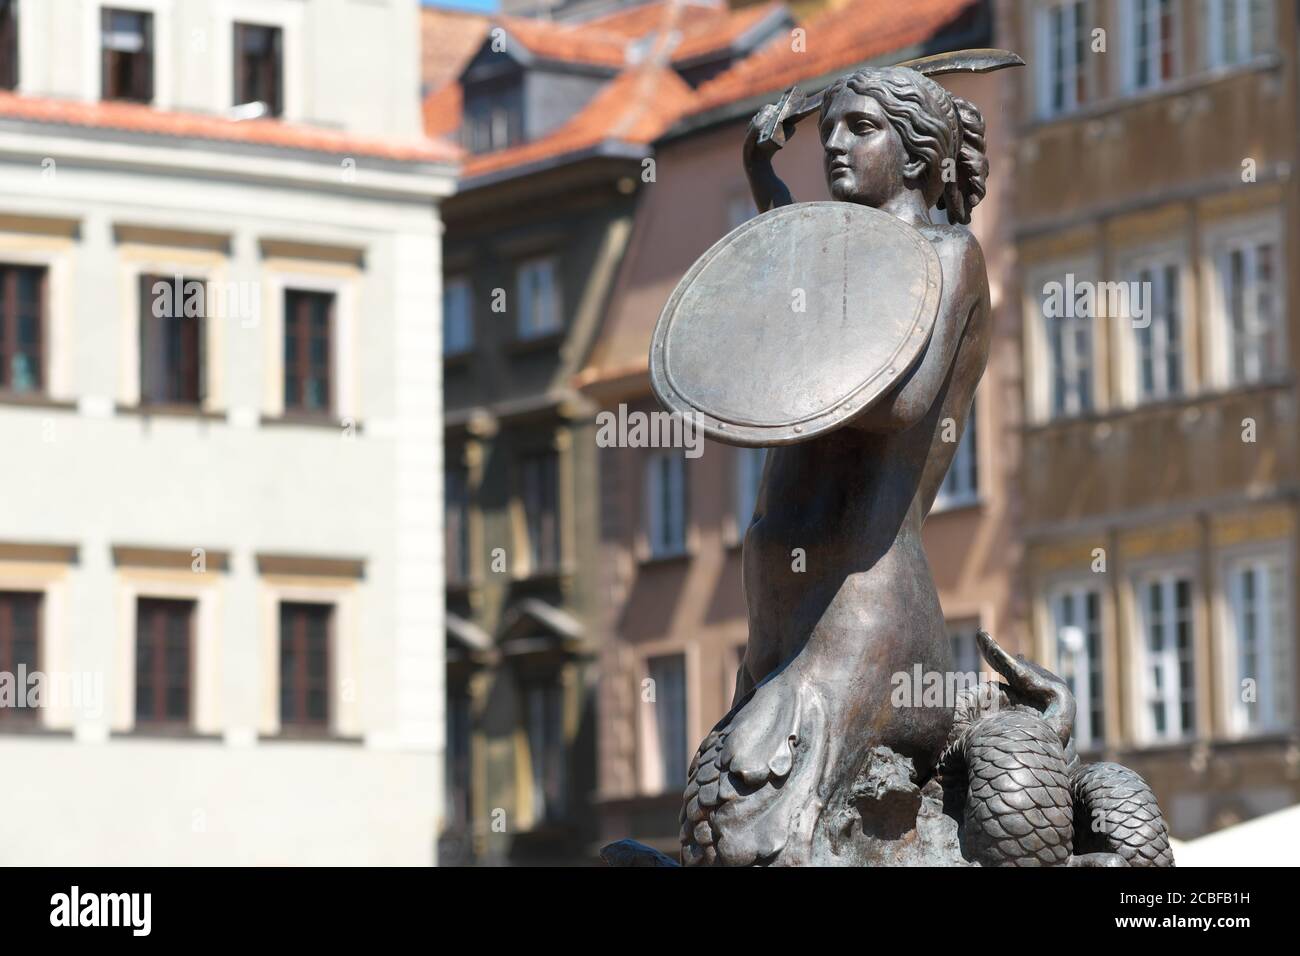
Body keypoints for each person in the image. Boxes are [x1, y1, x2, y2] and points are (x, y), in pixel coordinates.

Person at [680, 66, 993, 866]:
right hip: (777, 588)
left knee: (768, 823)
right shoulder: (831, 255)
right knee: (719, 816)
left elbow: (898, 403)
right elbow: (801, 301)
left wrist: (789, 322)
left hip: (864, 594)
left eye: (862, 129)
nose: (836, 149)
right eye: (828, 134)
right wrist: (763, 183)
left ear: (918, 153)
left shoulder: (949, 256)